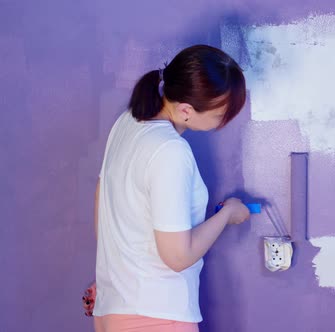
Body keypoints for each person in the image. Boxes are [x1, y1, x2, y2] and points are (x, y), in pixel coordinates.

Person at [82, 45, 251, 332]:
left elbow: (104, 198)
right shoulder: (170, 151)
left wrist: (111, 276)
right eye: (222, 113)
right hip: (155, 317)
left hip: (114, 309)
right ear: (186, 110)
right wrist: (228, 214)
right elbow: (177, 257)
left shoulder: (129, 121)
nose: (224, 121)